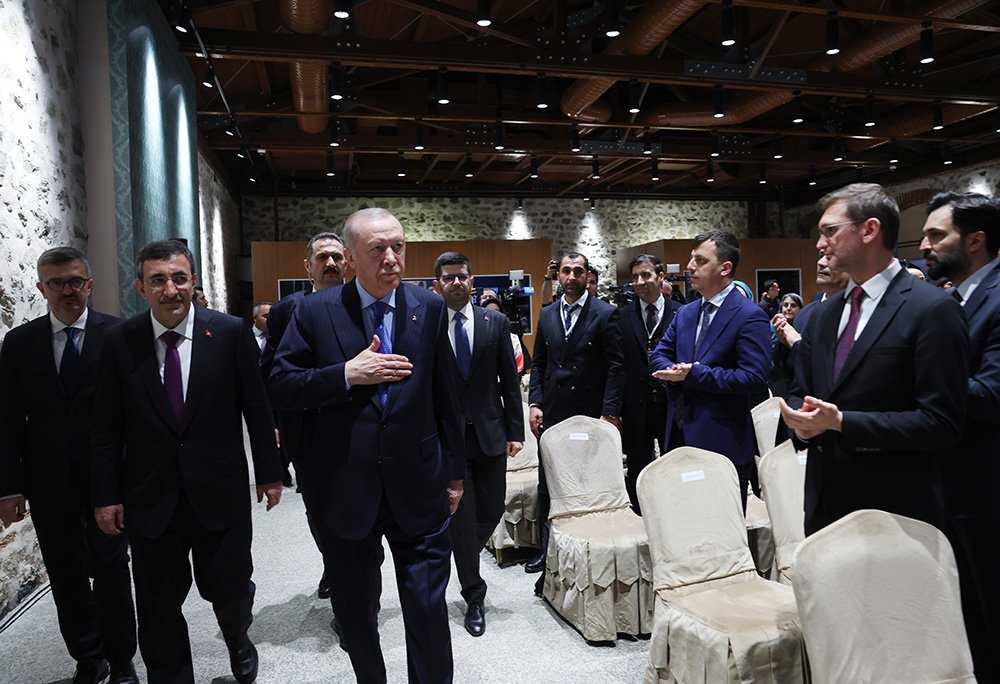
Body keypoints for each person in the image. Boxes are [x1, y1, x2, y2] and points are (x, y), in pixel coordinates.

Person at [268, 208, 466, 684]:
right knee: (356, 613)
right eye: (378, 249)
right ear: (351, 258)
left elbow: (445, 394)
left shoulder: (429, 306)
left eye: (398, 246)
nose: (392, 258)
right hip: (344, 487)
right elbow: (280, 385)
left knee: (427, 609)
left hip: (418, 482)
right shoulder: (313, 311)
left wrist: (455, 473)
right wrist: (345, 374)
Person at [90, 239, 283, 684]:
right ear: (141, 287)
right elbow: (104, 427)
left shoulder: (229, 332)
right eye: (157, 280)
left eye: (179, 278)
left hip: (219, 489)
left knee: (230, 587)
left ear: (193, 281)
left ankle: (237, 637)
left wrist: (270, 473)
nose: (170, 289)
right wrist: (106, 495)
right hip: (150, 495)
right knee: (157, 603)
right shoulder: (120, 341)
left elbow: (256, 408)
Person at [778, 183, 969, 536]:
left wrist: (843, 423)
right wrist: (801, 425)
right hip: (825, 507)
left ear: (869, 230)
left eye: (830, 231)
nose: (820, 244)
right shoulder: (822, 315)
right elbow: (800, 390)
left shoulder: (932, 310)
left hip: (898, 512)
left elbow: (941, 423)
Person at [0, 247, 138, 684]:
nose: (67, 290)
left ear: (89, 285)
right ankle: (88, 656)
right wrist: (9, 486)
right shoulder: (19, 343)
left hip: (107, 479)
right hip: (48, 479)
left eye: (75, 281)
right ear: (41, 288)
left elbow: (135, 412)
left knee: (112, 571)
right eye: (56, 283)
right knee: (66, 574)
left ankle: (122, 659)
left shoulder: (118, 335)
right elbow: (8, 418)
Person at [919, 191, 1000, 681]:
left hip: (987, 490)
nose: (924, 246)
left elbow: (992, 394)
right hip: (950, 485)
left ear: (975, 240)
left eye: (936, 235)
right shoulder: (953, 299)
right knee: (967, 621)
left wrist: (918, 381)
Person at [432, 251, 524, 638]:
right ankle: (474, 594)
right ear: (437, 284)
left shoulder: (495, 322)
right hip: (449, 440)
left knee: (492, 509)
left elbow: (509, 380)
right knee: (462, 515)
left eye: (462, 276)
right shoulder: (429, 324)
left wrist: (516, 431)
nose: (456, 282)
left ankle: (459, 550)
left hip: (490, 433)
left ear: (472, 281)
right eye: (448, 277)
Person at [650, 231, 772, 510]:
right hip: (678, 436)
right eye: (691, 259)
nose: (690, 267)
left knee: (720, 528)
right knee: (682, 522)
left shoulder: (749, 315)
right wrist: (673, 371)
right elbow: (659, 355)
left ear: (725, 268)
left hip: (722, 441)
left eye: (701, 260)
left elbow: (754, 377)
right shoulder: (686, 312)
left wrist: (694, 374)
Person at [259, 231, 349, 603]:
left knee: (358, 506)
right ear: (307, 266)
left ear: (348, 262)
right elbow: (271, 373)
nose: (330, 263)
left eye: (337, 257)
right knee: (318, 505)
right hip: (305, 427)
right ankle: (334, 562)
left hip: (354, 423)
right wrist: (273, 423)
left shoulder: (362, 303)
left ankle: (352, 577)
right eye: (322, 257)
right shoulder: (286, 311)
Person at [526, 251, 624, 576]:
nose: (571, 276)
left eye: (577, 271)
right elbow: (539, 363)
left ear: (587, 275)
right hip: (554, 411)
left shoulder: (606, 313)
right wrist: (535, 403)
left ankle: (590, 550)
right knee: (548, 483)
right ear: (558, 276)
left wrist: (609, 412)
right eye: (566, 271)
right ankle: (547, 550)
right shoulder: (548, 314)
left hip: (590, 413)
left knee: (587, 482)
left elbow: (616, 366)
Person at [619, 254, 680, 513]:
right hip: (636, 407)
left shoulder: (681, 313)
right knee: (638, 468)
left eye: (645, 275)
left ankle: (674, 514)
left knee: (675, 464)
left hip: (673, 406)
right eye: (635, 277)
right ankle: (641, 518)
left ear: (660, 276)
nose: (640, 282)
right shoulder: (622, 316)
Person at [768, 293, 803, 399]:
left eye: (793, 305)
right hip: (778, 377)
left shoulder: (804, 327)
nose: (788, 308)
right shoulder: (773, 327)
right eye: (786, 305)